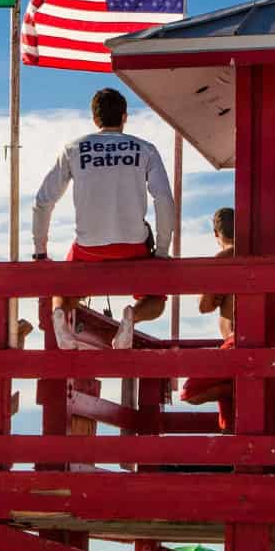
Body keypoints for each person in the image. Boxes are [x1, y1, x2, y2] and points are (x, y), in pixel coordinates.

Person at [32, 88, 175, 349]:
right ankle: (133, 316)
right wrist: (162, 253)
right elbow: (164, 200)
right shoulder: (146, 149)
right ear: (124, 117)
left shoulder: (73, 149)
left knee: (63, 292)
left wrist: (40, 252)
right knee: (156, 299)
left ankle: (61, 319)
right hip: (134, 248)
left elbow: (43, 201)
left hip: (89, 249)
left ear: (95, 119)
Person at [179, 207, 237, 427]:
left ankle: (233, 389)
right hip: (233, 347)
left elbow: (204, 306)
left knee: (190, 391)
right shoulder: (250, 254)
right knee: (232, 424)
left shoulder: (224, 257)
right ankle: (232, 389)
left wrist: (216, 294)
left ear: (215, 233)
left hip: (235, 344)